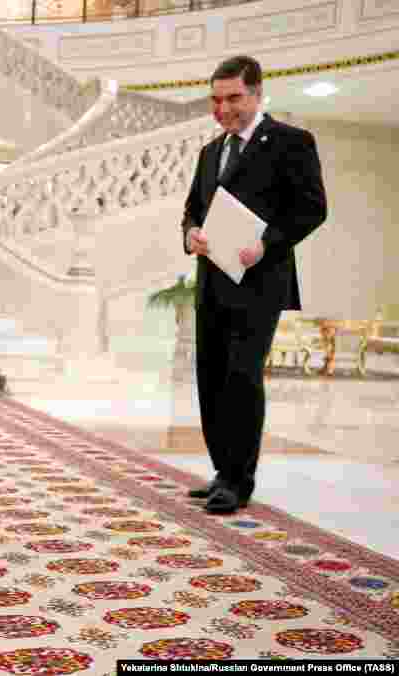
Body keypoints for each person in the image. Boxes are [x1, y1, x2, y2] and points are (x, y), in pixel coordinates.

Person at [181, 55, 327, 514]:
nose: (223, 109)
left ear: (258, 94)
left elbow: (311, 209)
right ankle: (223, 469)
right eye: (216, 99)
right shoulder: (210, 152)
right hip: (212, 282)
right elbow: (191, 209)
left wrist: (267, 244)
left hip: (259, 283)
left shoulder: (291, 142)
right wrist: (190, 234)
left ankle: (239, 482)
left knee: (242, 377)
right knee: (211, 376)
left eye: (233, 99)